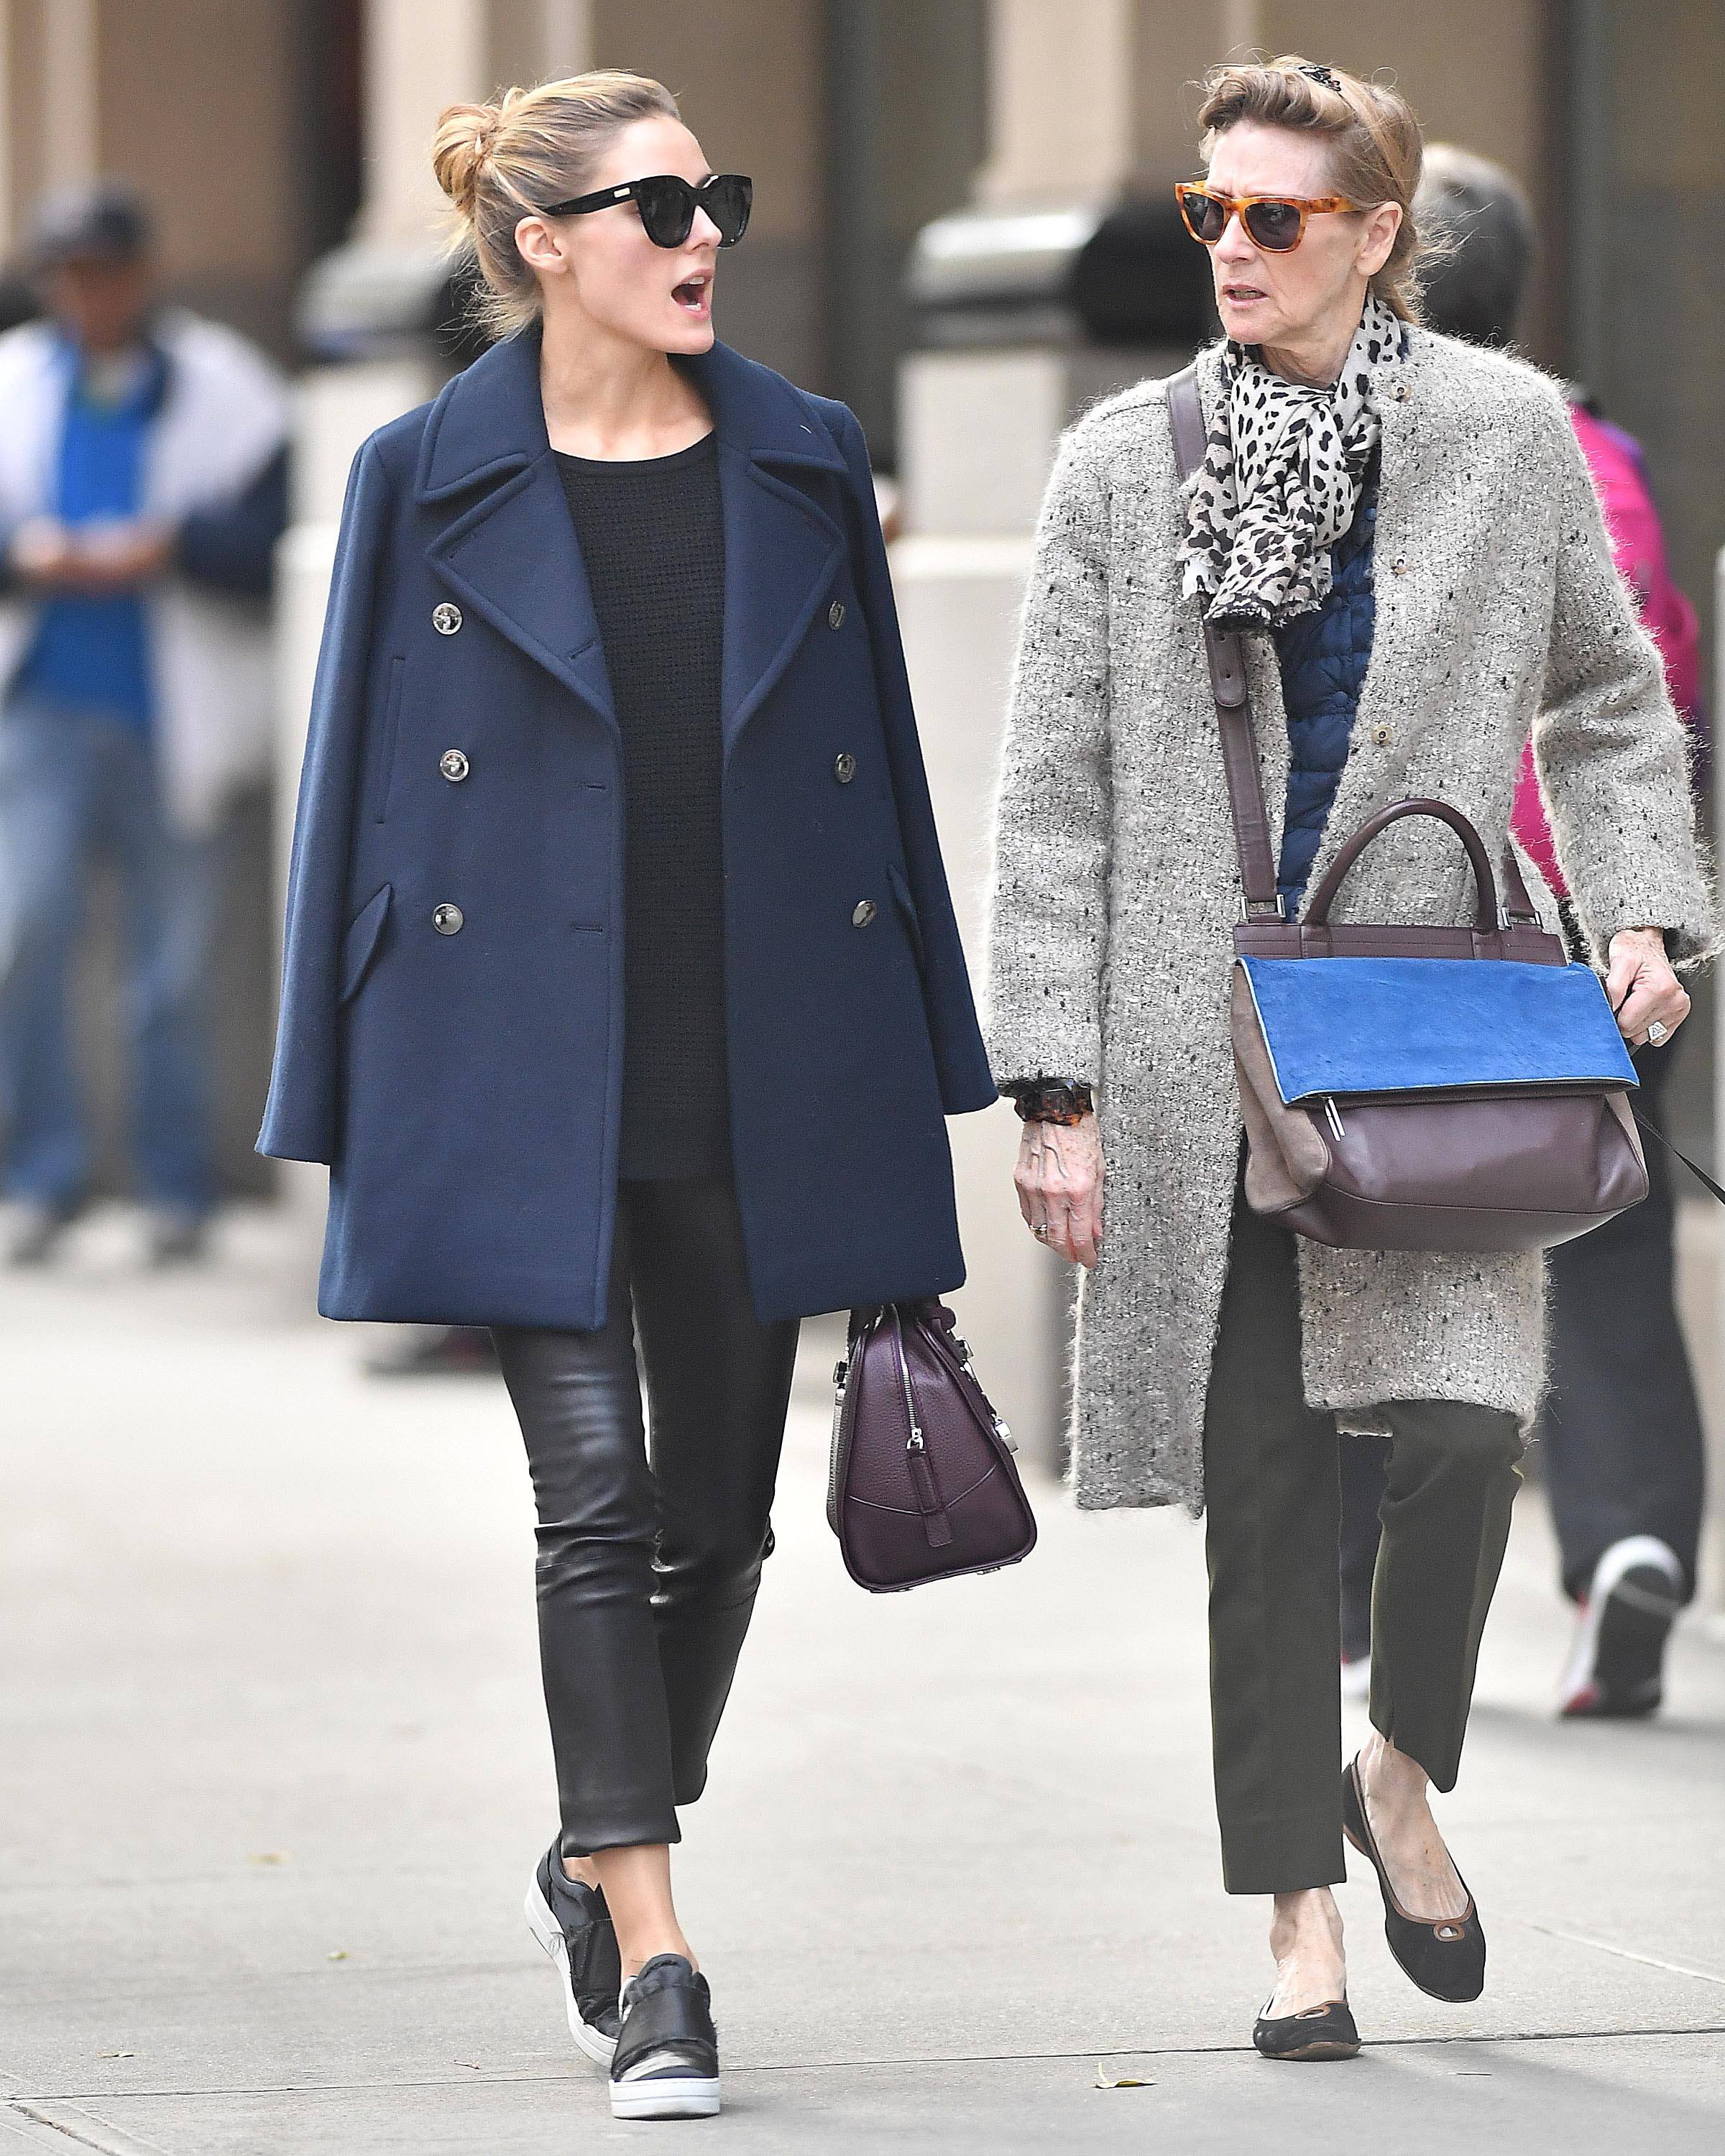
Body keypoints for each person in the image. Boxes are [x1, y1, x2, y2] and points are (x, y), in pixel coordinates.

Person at [257, 72, 994, 2123]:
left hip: (760, 1057)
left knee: (719, 1526)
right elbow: (353, 779)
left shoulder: (806, 453)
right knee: (590, 1500)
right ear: (543, 245)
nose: (705, 236)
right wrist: (331, 1077)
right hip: (508, 1054)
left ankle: (591, 1842)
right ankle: (658, 1952)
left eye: (715, 197)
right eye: (658, 207)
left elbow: (883, 775)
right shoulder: (423, 471)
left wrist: (938, 1057)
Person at [984, 57, 1710, 2061]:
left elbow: (1608, 697)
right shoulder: (1122, 465)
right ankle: (1295, 1916)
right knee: (1268, 1487)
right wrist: (1052, 1087)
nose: (1233, 248)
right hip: (1193, 1035)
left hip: (1427, 1015)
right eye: (1212, 212)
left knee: (1466, 1431)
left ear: (1377, 235)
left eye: (1276, 216)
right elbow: (1049, 792)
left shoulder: (1505, 436)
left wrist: (1642, 910)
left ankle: (1397, 1766)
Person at [1337, 145, 1710, 1721]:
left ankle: (1363, 1603)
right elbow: (1664, 684)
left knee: (1373, 1231)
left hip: (1427, 925)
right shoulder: (1607, 454)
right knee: (1612, 1243)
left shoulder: (1374, 446)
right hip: (1602, 928)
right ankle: (1629, 1544)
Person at [0, 183, 288, 1265]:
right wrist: (27, 555)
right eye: (68, 275)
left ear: (143, 275)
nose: (89, 295)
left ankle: (176, 1192)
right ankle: (41, 1179)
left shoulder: (225, 384)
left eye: (105, 273)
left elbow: (273, 538)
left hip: (174, 718)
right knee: (26, 943)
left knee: (172, 972)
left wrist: (171, 545)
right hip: (41, 711)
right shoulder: (13, 379)